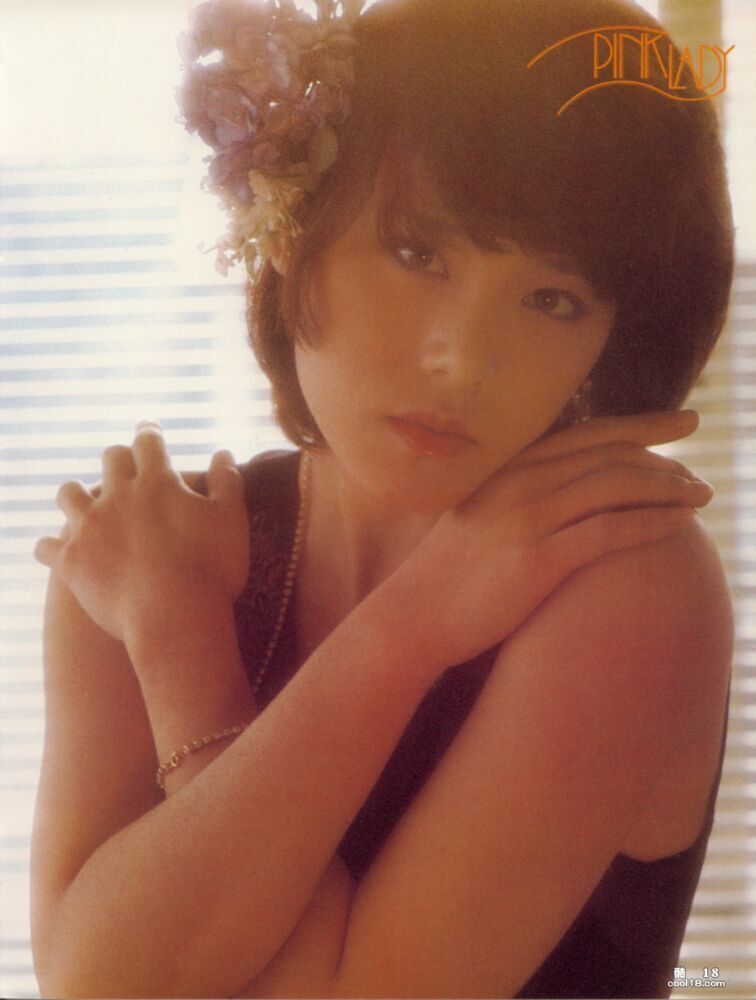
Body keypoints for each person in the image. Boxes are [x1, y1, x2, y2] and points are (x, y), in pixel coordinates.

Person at [30, 0, 735, 996]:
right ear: (290, 228)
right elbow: (91, 983)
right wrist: (178, 610)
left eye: (553, 299)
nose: (464, 360)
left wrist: (191, 644)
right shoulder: (145, 549)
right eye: (418, 254)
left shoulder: (627, 579)